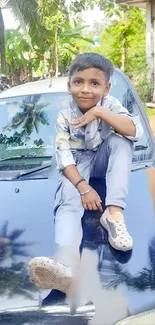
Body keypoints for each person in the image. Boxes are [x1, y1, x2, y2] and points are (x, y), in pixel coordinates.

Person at [28, 53, 143, 295]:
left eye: (94, 83)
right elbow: (64, 157)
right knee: (68, 199)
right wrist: (84, 187)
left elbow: (135, 131)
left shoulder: (111, 105)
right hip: (78, 165)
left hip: (104, 159)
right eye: (78, 81)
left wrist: (100, 113)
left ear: (106, 87)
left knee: (122, 142)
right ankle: (67, 267)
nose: (85, 89)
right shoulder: (64, 116)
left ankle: (113, 215)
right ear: (69, 85)